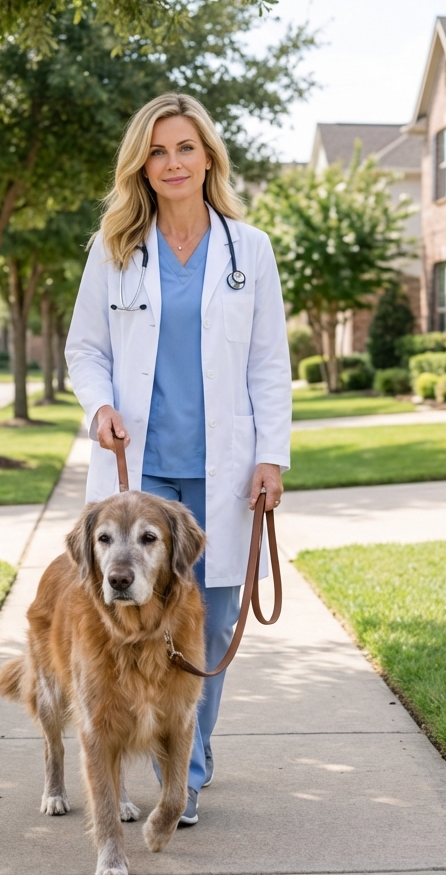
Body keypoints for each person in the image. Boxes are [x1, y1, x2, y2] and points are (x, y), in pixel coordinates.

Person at [65, 92, 292, 826]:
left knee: (208, 628)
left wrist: (271, 458)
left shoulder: (247, 250)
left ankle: (184, 776)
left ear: (207, 158)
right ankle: (134, 753)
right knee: (127, 624)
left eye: (185, 148)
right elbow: (86, 349)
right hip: (140, 473)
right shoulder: (116, 247)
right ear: (143, 163)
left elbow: (268, 364)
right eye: (158, 151)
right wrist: (99, 405)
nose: (172, 163)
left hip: (222, 471)